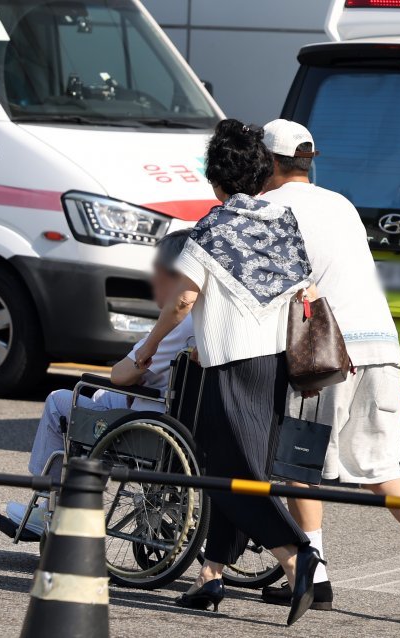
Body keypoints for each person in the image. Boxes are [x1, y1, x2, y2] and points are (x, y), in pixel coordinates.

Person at [258, 119, 400, 625]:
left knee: (299, 464)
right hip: (384, 346)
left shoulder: (271, 208)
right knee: (380, 463)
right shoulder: (341, 203)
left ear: (269, 162)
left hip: (328, 352)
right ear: (309, 160)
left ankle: (314, 574)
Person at [135, 119, 322, 626]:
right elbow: (300, 289)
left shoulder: (215, 226)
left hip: (233, 364)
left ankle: (296, 555)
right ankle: (210, 575)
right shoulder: (281, 222)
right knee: (242, 472)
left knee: (222, 475)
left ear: (216, 180)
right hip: (276, 364)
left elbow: (184, 300)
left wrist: (144, 353)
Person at [3, 230, 197, 534]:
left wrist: (134, 362)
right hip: (182, 423)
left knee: (60, 401)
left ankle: (49, 506)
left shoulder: (174, 324)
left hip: (145, 418)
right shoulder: (206, 322)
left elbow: (119, 376)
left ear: (173, 275)